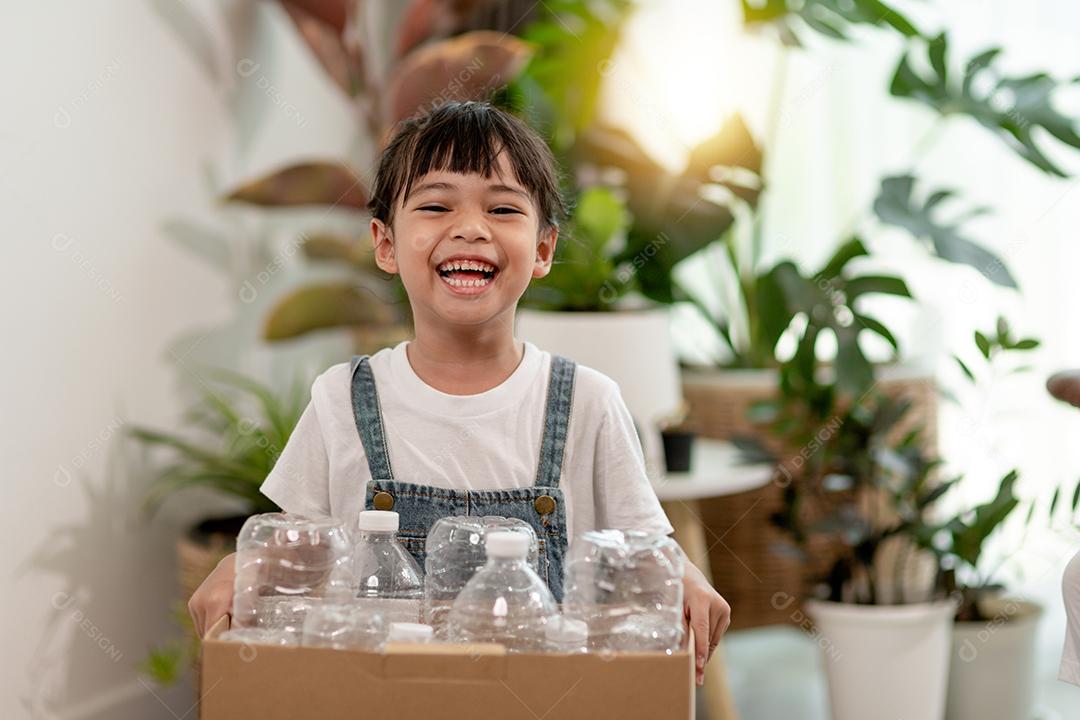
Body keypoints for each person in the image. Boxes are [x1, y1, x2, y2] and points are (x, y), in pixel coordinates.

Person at [188, 101, 730, 684]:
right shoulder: (342, 398)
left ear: (543, 249)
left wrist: (683, 576)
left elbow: (643, 553)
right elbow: (299, 547)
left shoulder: (588, 403)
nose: (470, 227)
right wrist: (245, 564)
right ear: (385, 244)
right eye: (435, 205)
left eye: (502, 208)